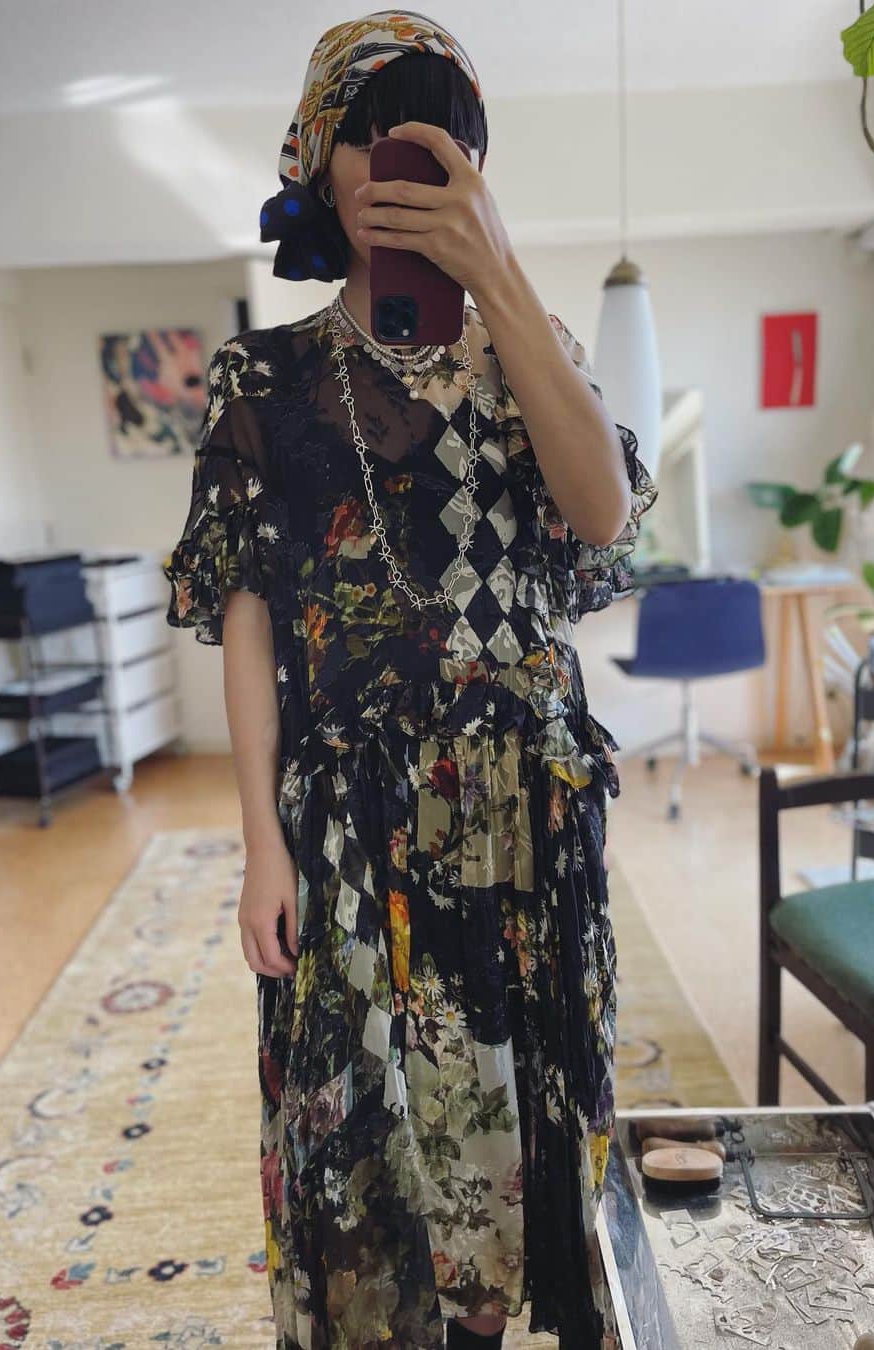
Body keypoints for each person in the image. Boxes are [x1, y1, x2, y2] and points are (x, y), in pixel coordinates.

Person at [162, 11, 657, 1349]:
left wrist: (500, 279)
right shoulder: (264, 378)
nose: (406, 162)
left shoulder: (533, 345)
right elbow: (248, 618)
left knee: (514, 1150)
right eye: (374, 134)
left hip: (524, 819)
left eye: (442, 137)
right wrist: (259, 843)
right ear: (322, 160)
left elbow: (602, 513)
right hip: (350, 826)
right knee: (367, 1156)